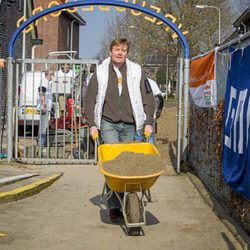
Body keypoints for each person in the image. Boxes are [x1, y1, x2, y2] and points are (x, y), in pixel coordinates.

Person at [84, 38, 155, 221]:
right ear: (110, 51)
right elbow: (89, 100)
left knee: (129, 164)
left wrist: (148, 122)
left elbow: (149, 97)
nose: (120, 52)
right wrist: (92, 124)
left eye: (123, 50)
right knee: (113, 164)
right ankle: (115, 205)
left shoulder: (137, 71)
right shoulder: (99, 72)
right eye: (117, 49)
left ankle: (127, 199)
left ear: (127, 53)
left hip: (130, 124)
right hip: (108, 123)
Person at [134, 69, 164, 144]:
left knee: (138, 135)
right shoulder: (151, 83)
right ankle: (150, 153)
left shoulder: (133, 82)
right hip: (149, 115)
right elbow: (159, 98)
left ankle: (137, 153)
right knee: (150, 135)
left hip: (137, 115)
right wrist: (158, 111)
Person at [36, 71, 54, 155]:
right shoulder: (44, 81)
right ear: (49, 75)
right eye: (52, 74)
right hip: (44, 108)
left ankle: (39, 145)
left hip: (45, 108)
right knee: (43, 128)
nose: (53, 76)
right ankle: (40, 147)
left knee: (42, 127)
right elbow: (41, 91)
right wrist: (43, 103)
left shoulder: (47, 82)